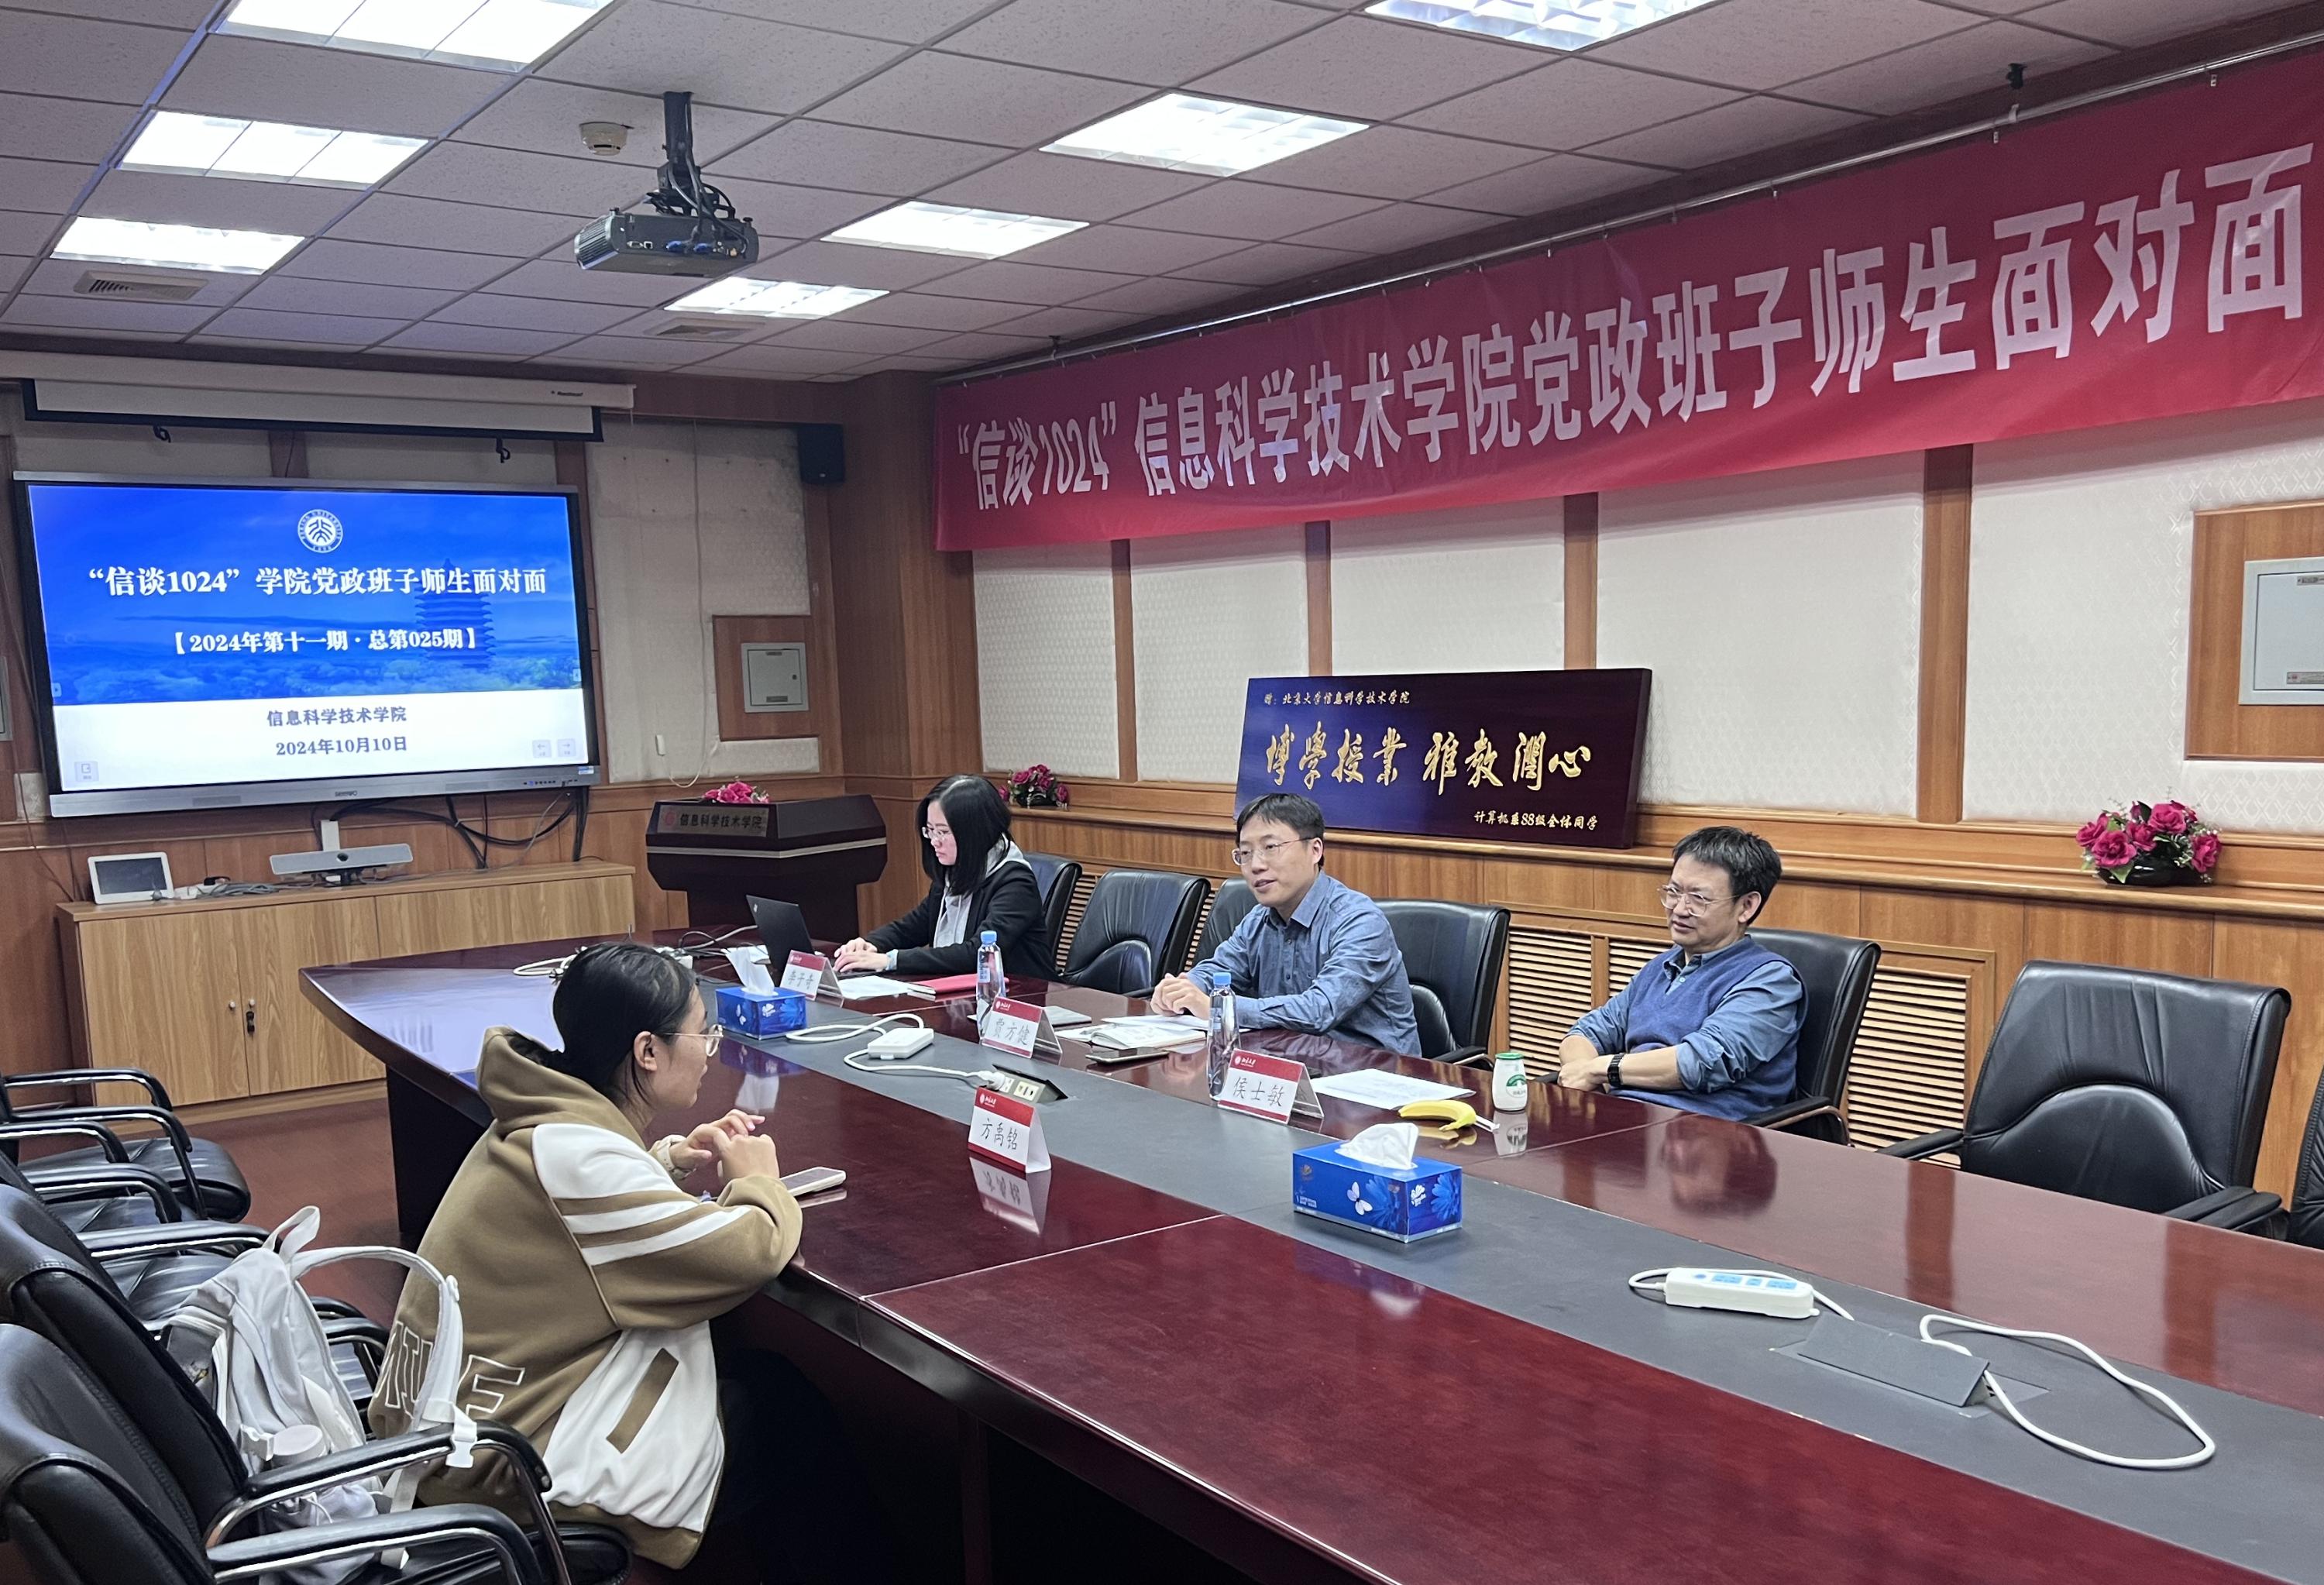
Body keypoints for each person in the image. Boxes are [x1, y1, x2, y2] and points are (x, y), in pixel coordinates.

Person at [370, 941, 882, 1583]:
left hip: (448, 1429)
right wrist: (759, 1182)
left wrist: (662, 1162)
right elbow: (747, 1253)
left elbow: (585, 1208)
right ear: (647, 1052)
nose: (711, 1049)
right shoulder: (580, 1161)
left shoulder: (537, 1121)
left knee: (759, 1383)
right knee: (786, 1417)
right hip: (506, 1465)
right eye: (703, 1033)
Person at [1556, 825, 1804, 1121]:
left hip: (1706, 1132)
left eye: (1698, 898)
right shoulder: (1662, 966)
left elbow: (1703, 1061)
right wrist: (1588, 1080)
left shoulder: (1771, 980)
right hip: (1626, 1118)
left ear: (1746, 907)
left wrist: (1602, 1069)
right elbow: (1586, 1033)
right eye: (1674, 892)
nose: (1679, 909)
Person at [1153, 792, 1419, 1054]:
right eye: (1245, 853)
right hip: (1292, 1063)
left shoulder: (1359, 921)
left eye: (1270, 848)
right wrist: (1185, 989)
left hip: (1375, 1070)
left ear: (1315, 850)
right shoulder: (1258, 919)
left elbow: (1319, 1009)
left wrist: (1221, 1008)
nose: (1255, 865)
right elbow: (1220, 971)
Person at [834, 773, 1054, 978]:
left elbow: (977, 953)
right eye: (930, 830)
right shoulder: (955, 872)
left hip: (1019, 997)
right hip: (963, 992)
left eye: (943, 832)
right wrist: (871, 944)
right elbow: (914, 926)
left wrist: (891, 960)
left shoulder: (1015, 883)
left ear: (975, 832)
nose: (934, 841)